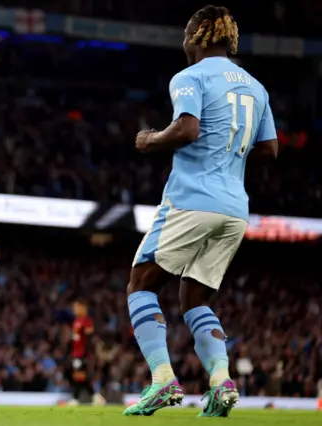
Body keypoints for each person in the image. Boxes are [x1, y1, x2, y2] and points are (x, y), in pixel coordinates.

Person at [123, 5, 278, 417]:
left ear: (195, 36)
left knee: (140, 283)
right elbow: (270, 149)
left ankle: (162, 381)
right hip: (234, 209)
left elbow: (188, 128)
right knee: (195, 299)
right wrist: (230, 155)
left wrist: (150, 140)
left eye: (185, 34)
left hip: (192, 199)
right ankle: (221, 383)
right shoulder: (256, 87)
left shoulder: (190, 77)